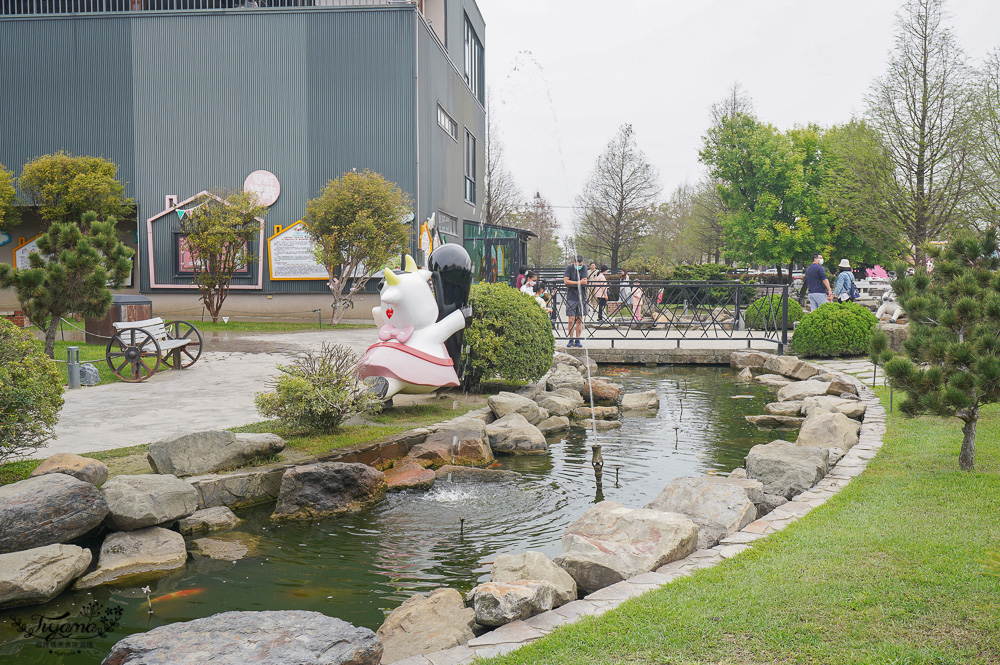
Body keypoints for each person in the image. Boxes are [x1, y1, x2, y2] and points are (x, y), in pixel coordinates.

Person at [564, 254, 588, 347]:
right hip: (571, 297)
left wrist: (572, 283)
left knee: (579, 319)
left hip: (582, 296)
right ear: (573, 262)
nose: (579, 266)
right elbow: (566, 281)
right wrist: (578, 282)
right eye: (578, 264)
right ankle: (571, 339)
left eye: (581, 264)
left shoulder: (584, 267)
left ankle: (578, 339)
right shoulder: (569, 267)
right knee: (571, 319)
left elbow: (585, 281)